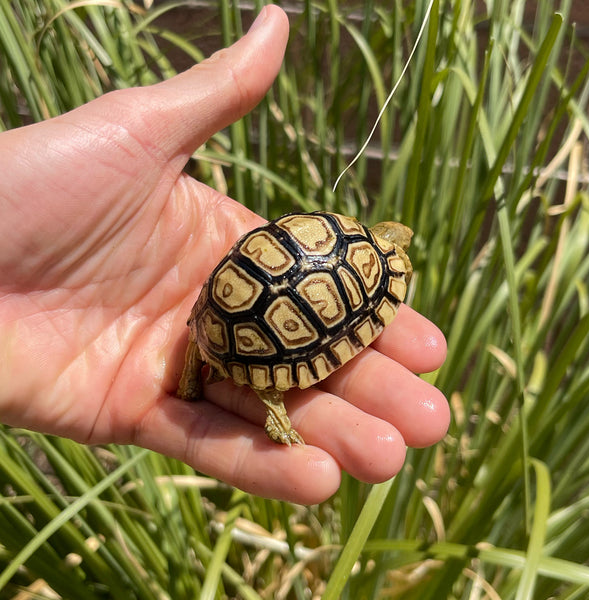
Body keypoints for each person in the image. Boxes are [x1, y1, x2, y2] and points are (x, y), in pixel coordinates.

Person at [0, 5, 449, 504]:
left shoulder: (333, 229)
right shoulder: (379, 271)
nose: (399, 246)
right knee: (270, 383)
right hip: (268, 336)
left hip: (217, 313)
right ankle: (272, 407)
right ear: (388, 245)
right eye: (397, 247)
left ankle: (200, 362)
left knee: (223, 330)